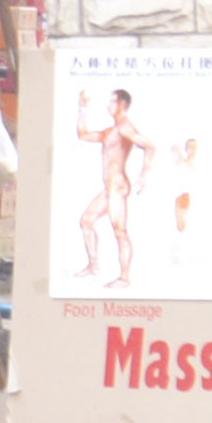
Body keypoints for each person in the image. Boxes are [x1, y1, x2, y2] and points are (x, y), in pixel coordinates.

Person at [77, 87, 159, 288]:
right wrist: (82, 108)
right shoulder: (111, 131)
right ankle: (93, 266)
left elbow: (149, 146)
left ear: (122, 104)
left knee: (119, 231)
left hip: (117, 186)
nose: (109, 105)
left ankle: (124, 278)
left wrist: (144, 175)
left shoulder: (125, 128)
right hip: (109, 188)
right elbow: (83, 135)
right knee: (86, 221)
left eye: (113, 101)